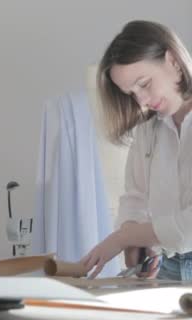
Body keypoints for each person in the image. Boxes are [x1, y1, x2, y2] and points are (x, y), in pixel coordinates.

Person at [81, 20, 192, 280]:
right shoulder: (148, 130)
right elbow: (136, 196)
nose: (141, 101)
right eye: (130, 93)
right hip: (169, 265)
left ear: (173, 62)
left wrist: (124, 237)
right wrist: (134, 241)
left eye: (143, 84)